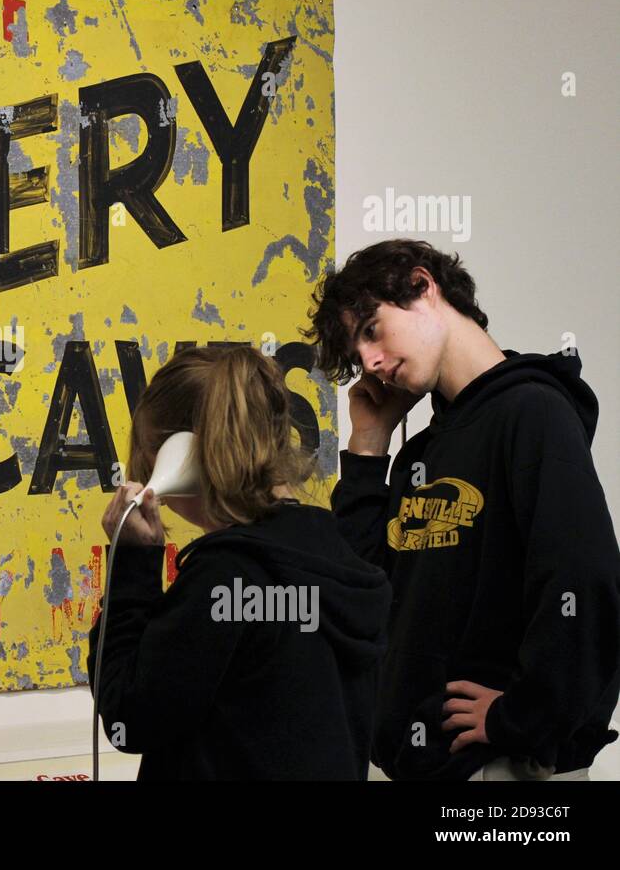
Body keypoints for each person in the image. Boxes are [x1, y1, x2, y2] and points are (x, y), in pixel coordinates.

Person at [305, 237, 620, 780]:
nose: (372, 363)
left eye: (372, 331)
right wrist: (367, 447)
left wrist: (520, 717)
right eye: (359, 356)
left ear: (423, 287)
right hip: (417, 764)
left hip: (502, 770)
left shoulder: (533, 412)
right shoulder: (424, 452)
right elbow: (362, 592)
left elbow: (584, 582)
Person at [87, 344, 391, 779]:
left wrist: (132, 566)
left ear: (179, 455)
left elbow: (129, 718)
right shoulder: (338, 552)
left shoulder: (227, 576)